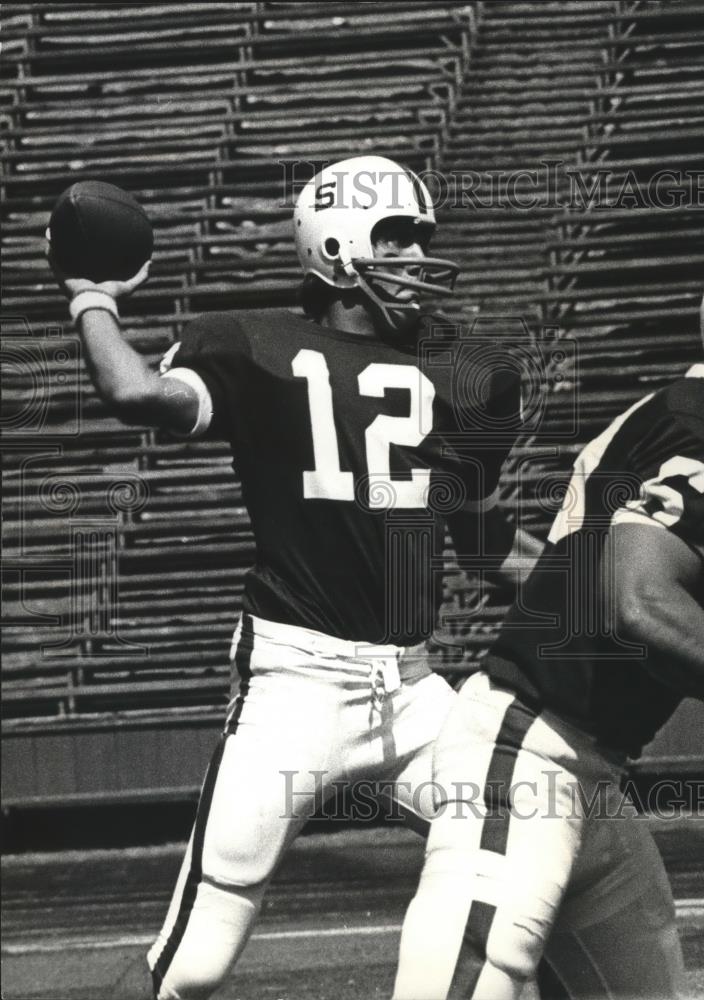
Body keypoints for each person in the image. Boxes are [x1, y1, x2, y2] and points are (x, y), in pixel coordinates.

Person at [48, 155, 541, 1000]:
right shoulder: (256, 344)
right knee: (191, 965)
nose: (419, 259)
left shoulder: (467, 373)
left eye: (423, 239)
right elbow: (135, 392)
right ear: (338, 247)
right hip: (297, 690)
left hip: (415, 691)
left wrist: (594, 583)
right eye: (397, 239)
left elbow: (480, 542)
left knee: (541, 847)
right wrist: (92, 296)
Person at [392, 242, 704, 1000]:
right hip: (528, 750)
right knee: (472, 979)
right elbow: (640, 601)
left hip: (591, 773)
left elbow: (699, 595)